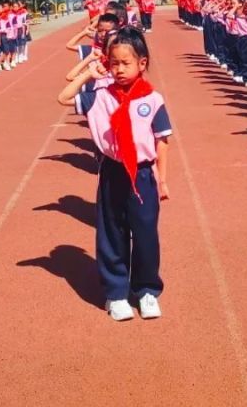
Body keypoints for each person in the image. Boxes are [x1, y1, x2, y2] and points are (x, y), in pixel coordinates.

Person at [58, 27, 171, 322]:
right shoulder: (99, 97)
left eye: (126, 63)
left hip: (144, 174)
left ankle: (146, 290)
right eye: (114, 63)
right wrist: (89, 76)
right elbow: (63, 97)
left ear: (142, 63)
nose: (119, 69)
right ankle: (116, 293)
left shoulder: (153, 99)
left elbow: (162, 141)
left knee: (146, 234)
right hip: (113, 171)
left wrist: (162, 178)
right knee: (112, 233)